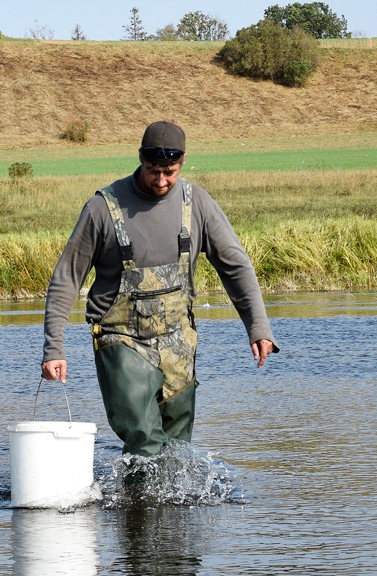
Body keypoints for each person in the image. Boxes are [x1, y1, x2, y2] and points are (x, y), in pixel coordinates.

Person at [41, 121, 278, 457]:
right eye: (154, 171)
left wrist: (259, 327)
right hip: (120, 339)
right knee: (145, 440)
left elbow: (236, 266)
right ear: (141, 159)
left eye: (170, 172)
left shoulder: (197, 203)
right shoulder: (102, 209)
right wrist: (54, 347)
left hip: (178, 339)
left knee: (178, 451)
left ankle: (161, 509)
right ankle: (136, 506)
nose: (161, 181)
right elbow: (67, 276)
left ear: (182, 164)